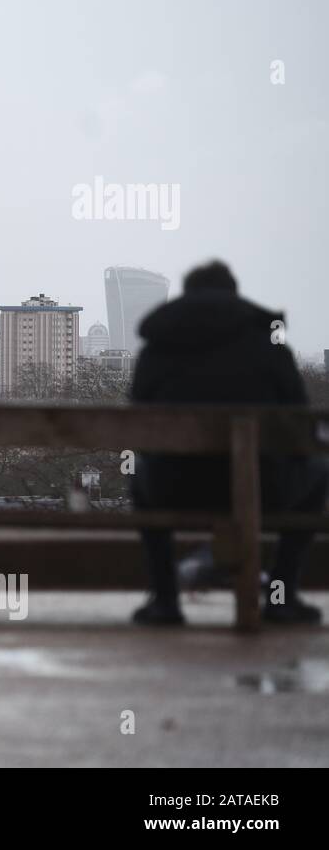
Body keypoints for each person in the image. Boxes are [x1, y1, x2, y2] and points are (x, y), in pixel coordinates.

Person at [130, 260, 326, 625]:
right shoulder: (269, 346)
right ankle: (281, 597)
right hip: (266, 487)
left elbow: (138, 423)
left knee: (139, 476)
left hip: (174, 488)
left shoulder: (157, 348)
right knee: (319, 472)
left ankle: (165, 601)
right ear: (234, 296)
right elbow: (298, 423)